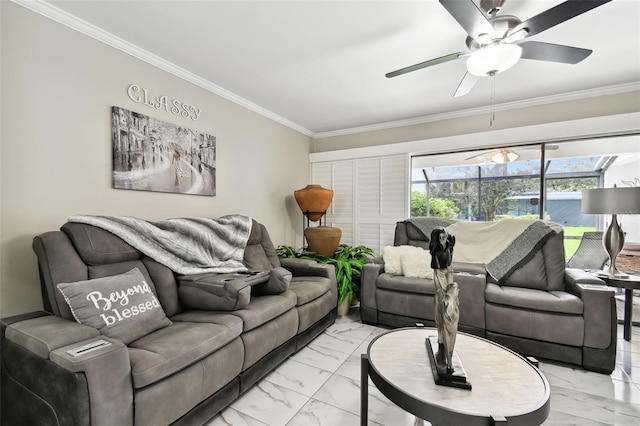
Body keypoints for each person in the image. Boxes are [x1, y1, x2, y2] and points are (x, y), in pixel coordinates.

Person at [429, 227, 459, 373]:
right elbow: (437, 267)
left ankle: (448, 335)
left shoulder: (449, 245)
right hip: (439, 272)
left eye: (444, 236)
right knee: (442, 299)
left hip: (448, 270)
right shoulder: (435, 250)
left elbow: (450, 255)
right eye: (441, 237)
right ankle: (441, 334)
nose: (443, 239)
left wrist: (450, 268)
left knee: (452, 297)